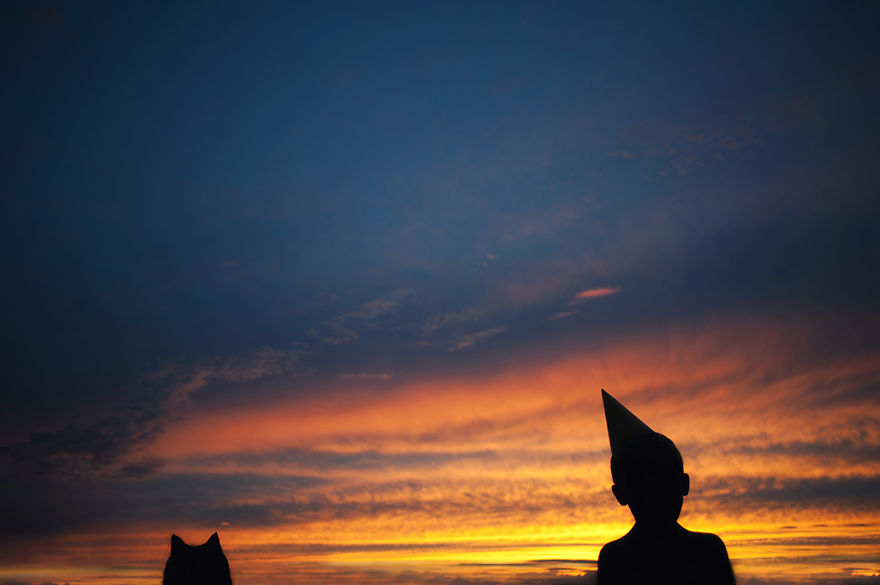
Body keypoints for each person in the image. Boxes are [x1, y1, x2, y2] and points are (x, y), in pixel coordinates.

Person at [597, 390, 735, 585]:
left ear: (684, 484)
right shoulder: (707, 550)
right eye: (640, 480)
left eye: (662, 476)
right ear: (620, 494)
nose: (654, 491)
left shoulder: (708, 551)